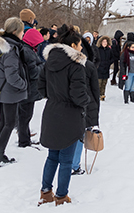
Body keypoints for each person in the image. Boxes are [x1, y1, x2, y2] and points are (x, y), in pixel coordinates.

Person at [38, 25, 90, 207]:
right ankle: (61, 196)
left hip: (51, 112)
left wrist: (54, 96)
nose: (82, 48)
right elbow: (78, 95)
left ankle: (45, 192)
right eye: (80, 45)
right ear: (74, 45)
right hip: (69, 116)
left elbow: (40, 88)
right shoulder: (75, 67)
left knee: (52, 156)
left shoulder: (48, 63)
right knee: (66, 160)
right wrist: (87, 101)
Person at [0, 18, 30, 164]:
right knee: (9, 123)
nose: (23, 34)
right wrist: (24, 85)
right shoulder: (10, 49)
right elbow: (12, 76)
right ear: (15, 32)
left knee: (3, 122)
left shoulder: (3, 45)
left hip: (4, 89)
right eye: (22, 31)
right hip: (10, 91)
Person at [71, 44, 100, 175]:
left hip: (70, 104)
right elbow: (95, 91)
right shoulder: (88, 66)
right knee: (79, 135)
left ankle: (70, 162)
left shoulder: (65, 64)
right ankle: (74, 164)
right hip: (85, 104)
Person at [18, 26, 46, 147]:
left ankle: (25, 138)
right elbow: (33, 72)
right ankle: (23, 141)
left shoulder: (28, 49)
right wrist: (43, 66)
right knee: (25, 116)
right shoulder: (27, 52)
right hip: (28, 89)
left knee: (25, 116)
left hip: (28, 89)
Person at [95, 36, 113, 101]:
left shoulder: (109, 50)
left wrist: (108, 63)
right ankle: (97, 96)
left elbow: (112, 58)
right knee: (98, 84)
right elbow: (95, 58)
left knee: (104, 84)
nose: (105, 43)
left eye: (106, 42)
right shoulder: (98, 49)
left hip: (106, 69)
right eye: (103, 42)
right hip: (99, 69)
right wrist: (98, 64)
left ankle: (102, 96)